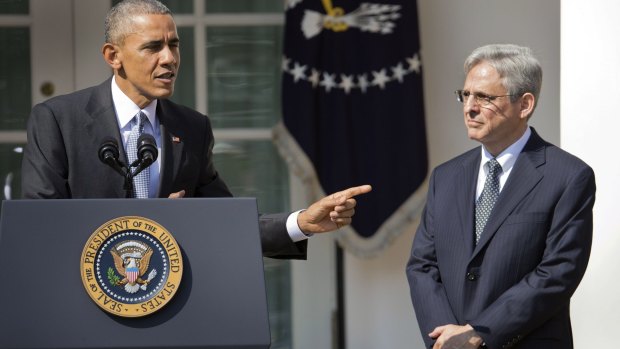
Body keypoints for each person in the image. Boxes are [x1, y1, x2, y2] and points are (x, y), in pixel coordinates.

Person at [20, 0, 371, 259]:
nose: (170, 58)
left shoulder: (191, 127)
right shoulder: (57, 120)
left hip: (168, 309)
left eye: (173, 44)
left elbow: (224, 221)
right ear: (113, 56)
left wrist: (302, 222)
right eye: (153, 47)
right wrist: (155, 222)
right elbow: (41, 229)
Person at [406, 44, 595, 349]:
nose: (469, 107)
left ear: (525, 105)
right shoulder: (446, 176)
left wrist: (481, 333)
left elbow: (558, 272)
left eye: (484, 97)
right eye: (465, 95)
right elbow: (422, 265)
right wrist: (445, 336)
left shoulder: (569, 176)